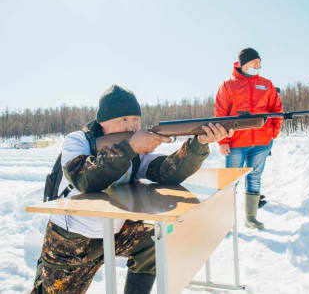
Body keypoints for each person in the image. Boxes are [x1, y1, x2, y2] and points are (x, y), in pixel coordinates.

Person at [32, 84, 233, 294]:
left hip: (113, 233)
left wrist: (198, 144)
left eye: (136, 119)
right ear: (103, 122)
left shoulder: (136, 150)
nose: (133, 126)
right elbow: (83, 179)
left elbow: (167, 172)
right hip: (71, 242)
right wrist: (130, 148)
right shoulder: (78, 140)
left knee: (155, 242)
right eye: (124, 119)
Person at [214, 48, 283, 230]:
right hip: (236, 143)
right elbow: (220, 114)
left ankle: (250, 218)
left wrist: (272, 134)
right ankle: (224, 223)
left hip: (261, 143)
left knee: (255, 178)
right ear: (244, 63)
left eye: (260, 63)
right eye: (255, 63)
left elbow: (277, 110)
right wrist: (223, 142)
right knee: (231, 181)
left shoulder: (266, 84)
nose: (258, 66)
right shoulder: (228, 85)